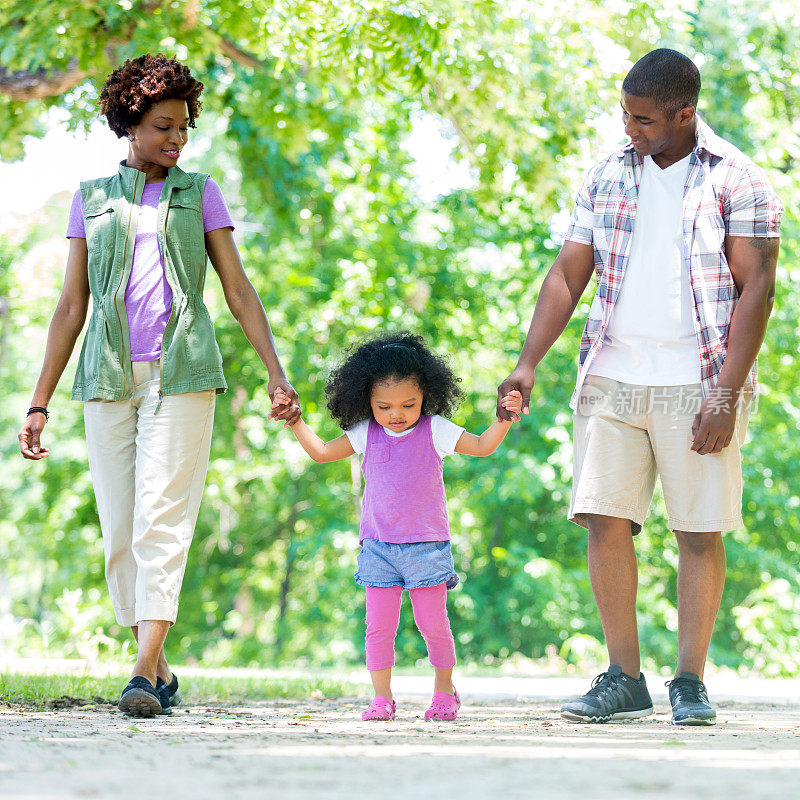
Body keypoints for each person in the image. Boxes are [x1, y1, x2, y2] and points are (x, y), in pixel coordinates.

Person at [498, 49, 782, 725]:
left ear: (685, 113)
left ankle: (690, 679)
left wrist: (725, 394)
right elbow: (569, 273)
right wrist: (528, 360)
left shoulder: (737, 180)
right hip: (613, 372)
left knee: (697, 527)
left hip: (697, 378)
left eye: (645, 119)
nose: (631, 128)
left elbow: (757, 291)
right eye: (625, 114)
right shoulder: (607, 173)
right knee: (603, 514)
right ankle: (624, 675)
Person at [18, 54, 300, 717]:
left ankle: (142, 672)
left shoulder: (198, 192)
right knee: (121, 530)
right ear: (130, 123)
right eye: (164, 128)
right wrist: (39, 402)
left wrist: (274, 369)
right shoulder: (92, 198)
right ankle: (160, 666)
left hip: (183, 373)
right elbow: (69, 307)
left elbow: (236, 287)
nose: (176, 140)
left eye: (183, 130)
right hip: (107, 376)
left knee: (162, 521)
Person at [271, 331, 522, 721]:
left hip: (426, 547)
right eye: (383, 406)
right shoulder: (365, 434)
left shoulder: (434, 429)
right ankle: (382, 698)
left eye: (409, 403)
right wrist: (296, 421)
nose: (397, 414)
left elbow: (482, 446)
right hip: (378, 548)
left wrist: (504, 419)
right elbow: (321, 452)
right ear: (365, 401)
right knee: (379, 629)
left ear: (427, 394)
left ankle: (444, 691)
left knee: (433, 626)